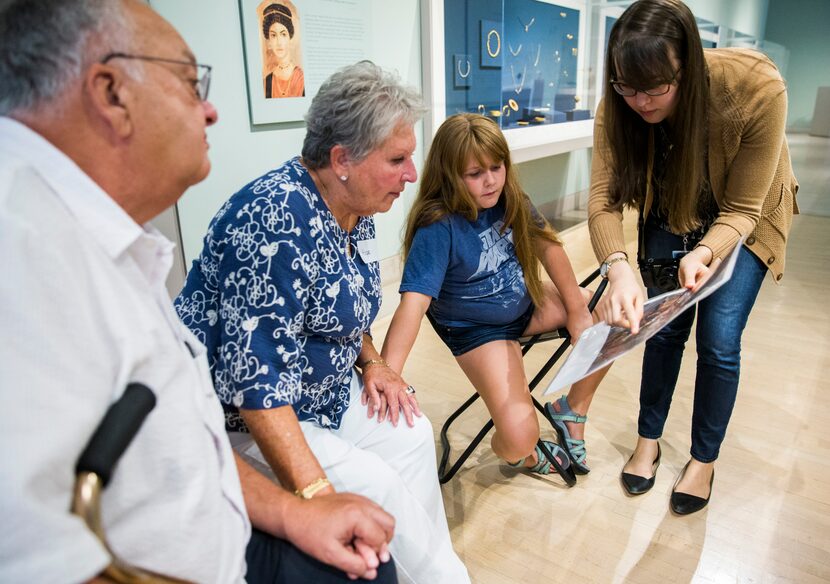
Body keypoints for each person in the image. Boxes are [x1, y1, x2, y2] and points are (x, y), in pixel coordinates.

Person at [0, 1, 398, 582]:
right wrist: (310, 491)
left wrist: (292, 513)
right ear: (111, 92)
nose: (210, 110)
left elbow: (188, 436)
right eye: (191, 83)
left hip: (230, 523)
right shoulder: (23, 250)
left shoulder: (104, 236)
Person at [175, 61, 470, 584]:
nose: (412, 174)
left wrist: (374, 362)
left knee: (411, 433)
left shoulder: (353, 208)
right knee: (373, 483)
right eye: (398, 159)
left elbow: (345, 307)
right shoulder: (272, 221)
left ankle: (427, 572)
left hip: (324, 394)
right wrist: (316, 500)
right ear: (342, 160)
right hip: (244, 422)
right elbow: (255, 386)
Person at [588, 0, 798, 514]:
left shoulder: (755, 90)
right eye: (626, 87)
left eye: (655, 87)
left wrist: (706, 250)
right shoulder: (621, 104)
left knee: (719, 338)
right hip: (670, 203)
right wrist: (618, 268)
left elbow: (744, 208)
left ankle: (703, 459)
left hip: (744, 216)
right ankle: (648, 439)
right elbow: (602, 200)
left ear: (690, 65)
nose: (639, 101)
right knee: (662, 329)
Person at [380, 113, 609, 481]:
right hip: (478, 330)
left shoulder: (510, 197)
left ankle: (572, 410)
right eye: (475, 174)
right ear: (449, 175)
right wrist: (389, 375)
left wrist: (579, 310)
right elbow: (413, 306)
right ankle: (524, 457)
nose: (490, 181)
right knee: (520, 439)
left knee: (610, 314)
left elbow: (548, 249)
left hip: (523, 303)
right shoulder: (437, 226)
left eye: (496, 167)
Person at [262, 3, 304, 98]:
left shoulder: (301, 78)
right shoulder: (267, 81)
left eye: (283, 34)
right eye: (273, 35)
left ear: (290, 37)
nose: (279, 42)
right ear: (269, 42)